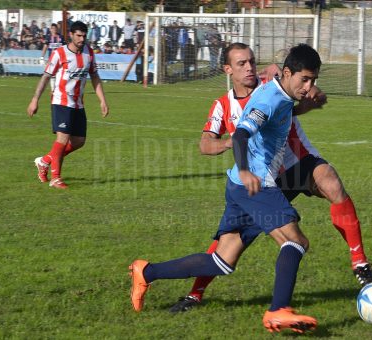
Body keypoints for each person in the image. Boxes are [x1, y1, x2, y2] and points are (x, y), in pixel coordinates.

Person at [168, 42, 372, 313]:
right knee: (231, 242)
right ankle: (195, 293)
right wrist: (233, 143)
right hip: (265, 178)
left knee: (331, 182)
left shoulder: (271, 83)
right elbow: (205, 145)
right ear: (228, 70)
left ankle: (359, 262)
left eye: (252, 62)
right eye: (242, 64)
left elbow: (301, 91)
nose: (250, 68)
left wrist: (312, 98)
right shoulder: (222, 105)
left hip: (297, 160)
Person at [129, 44, 323, 334]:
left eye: (313, 81)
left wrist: (303, 106)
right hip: (253, 185)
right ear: (287, 73)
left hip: (238, 186)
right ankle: (278, 310)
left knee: (222, 262)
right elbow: (242, 135)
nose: (309, 87)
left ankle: (147, 271)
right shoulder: (269, 99)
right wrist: (246, 171)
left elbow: (277, 104)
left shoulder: (280, 94)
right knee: (295, 241)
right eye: (305, 80)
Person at [27, 21, 109, 189]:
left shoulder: (89, 53)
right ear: (71, 35)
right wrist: (35, 99)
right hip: (61, 101)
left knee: (79, 141)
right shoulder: (59, 53)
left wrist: (102, 100)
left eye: (84, 36)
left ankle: (45, 161)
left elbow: (94, 77)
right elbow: (45, 77)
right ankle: (55, 178)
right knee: (62, 139)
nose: (81, 39)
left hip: (78, 104)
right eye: (78, 35)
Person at [40, 23, 65, 91]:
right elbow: (45, 47)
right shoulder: (48, 37)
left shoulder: (61, 37)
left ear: (57, 29)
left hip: (60, 58)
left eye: (55, 29)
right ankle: (53, 89)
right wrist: (42, 57)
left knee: (60, 73)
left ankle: (58, 87)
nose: (54, 30)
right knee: (52, 74)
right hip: (51, 59)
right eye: (52, 29)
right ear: (50, 29)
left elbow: (64, 47)